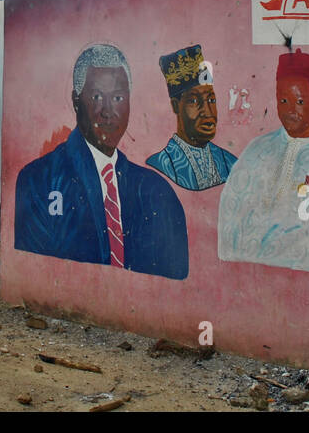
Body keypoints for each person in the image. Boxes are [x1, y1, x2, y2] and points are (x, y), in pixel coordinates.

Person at [14, 44, 189, 279]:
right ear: (76, 101)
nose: (108, 111)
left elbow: (174, 280)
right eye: (96, 97)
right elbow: (33, 276)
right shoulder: (40, 180)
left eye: (118, 97)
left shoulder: (155, 191)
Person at [217, 49, 309, 277]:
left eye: (299, 101)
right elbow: (231, 213)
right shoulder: (257, 151)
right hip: (252, 277)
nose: (289, 111)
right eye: (283, 101)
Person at [145, 44, 237, 191]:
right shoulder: (159, 167)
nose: (207, 112)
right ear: (176, 106)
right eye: (194, 101)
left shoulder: (230, 163)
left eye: (211, 100)